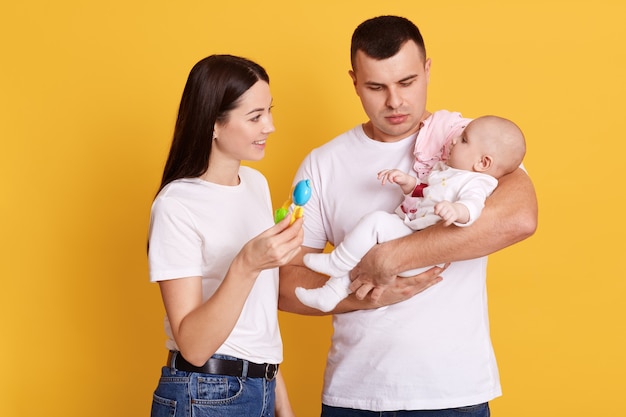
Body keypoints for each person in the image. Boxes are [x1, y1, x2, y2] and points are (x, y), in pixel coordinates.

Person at [278, 15, 537, 416]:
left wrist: (392, 258)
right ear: (354, 81)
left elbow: (519, 218)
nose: (395, 101)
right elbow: (284, 285)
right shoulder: (322, 164)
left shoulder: (471, 141)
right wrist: (366, 296)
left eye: (407, 82)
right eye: (376, 86)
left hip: (452, 393)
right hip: (353, 395)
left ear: (428, 70)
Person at [147, 54, 302, 417]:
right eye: (255, 117)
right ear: (213, 124)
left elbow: (255, 321)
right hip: (205, 393)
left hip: (258, 387)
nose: (271, 126)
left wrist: (281, 401)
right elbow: (194, 347)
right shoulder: (176, 205)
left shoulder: (255, 184)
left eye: (269, 111)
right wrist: (247, 263)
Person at [296, 115, 527, 312]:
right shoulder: (450, 172)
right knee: (368, 247)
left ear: (483, 162)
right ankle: (330, 294)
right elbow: (427, 193)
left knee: (375, 222)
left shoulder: (477, 182)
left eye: (464, 140)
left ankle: (338, 261)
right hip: (411, 229)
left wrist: (457, 210)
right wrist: (408, 183)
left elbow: (474, 207)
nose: (455, 139)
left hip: (423, 253)